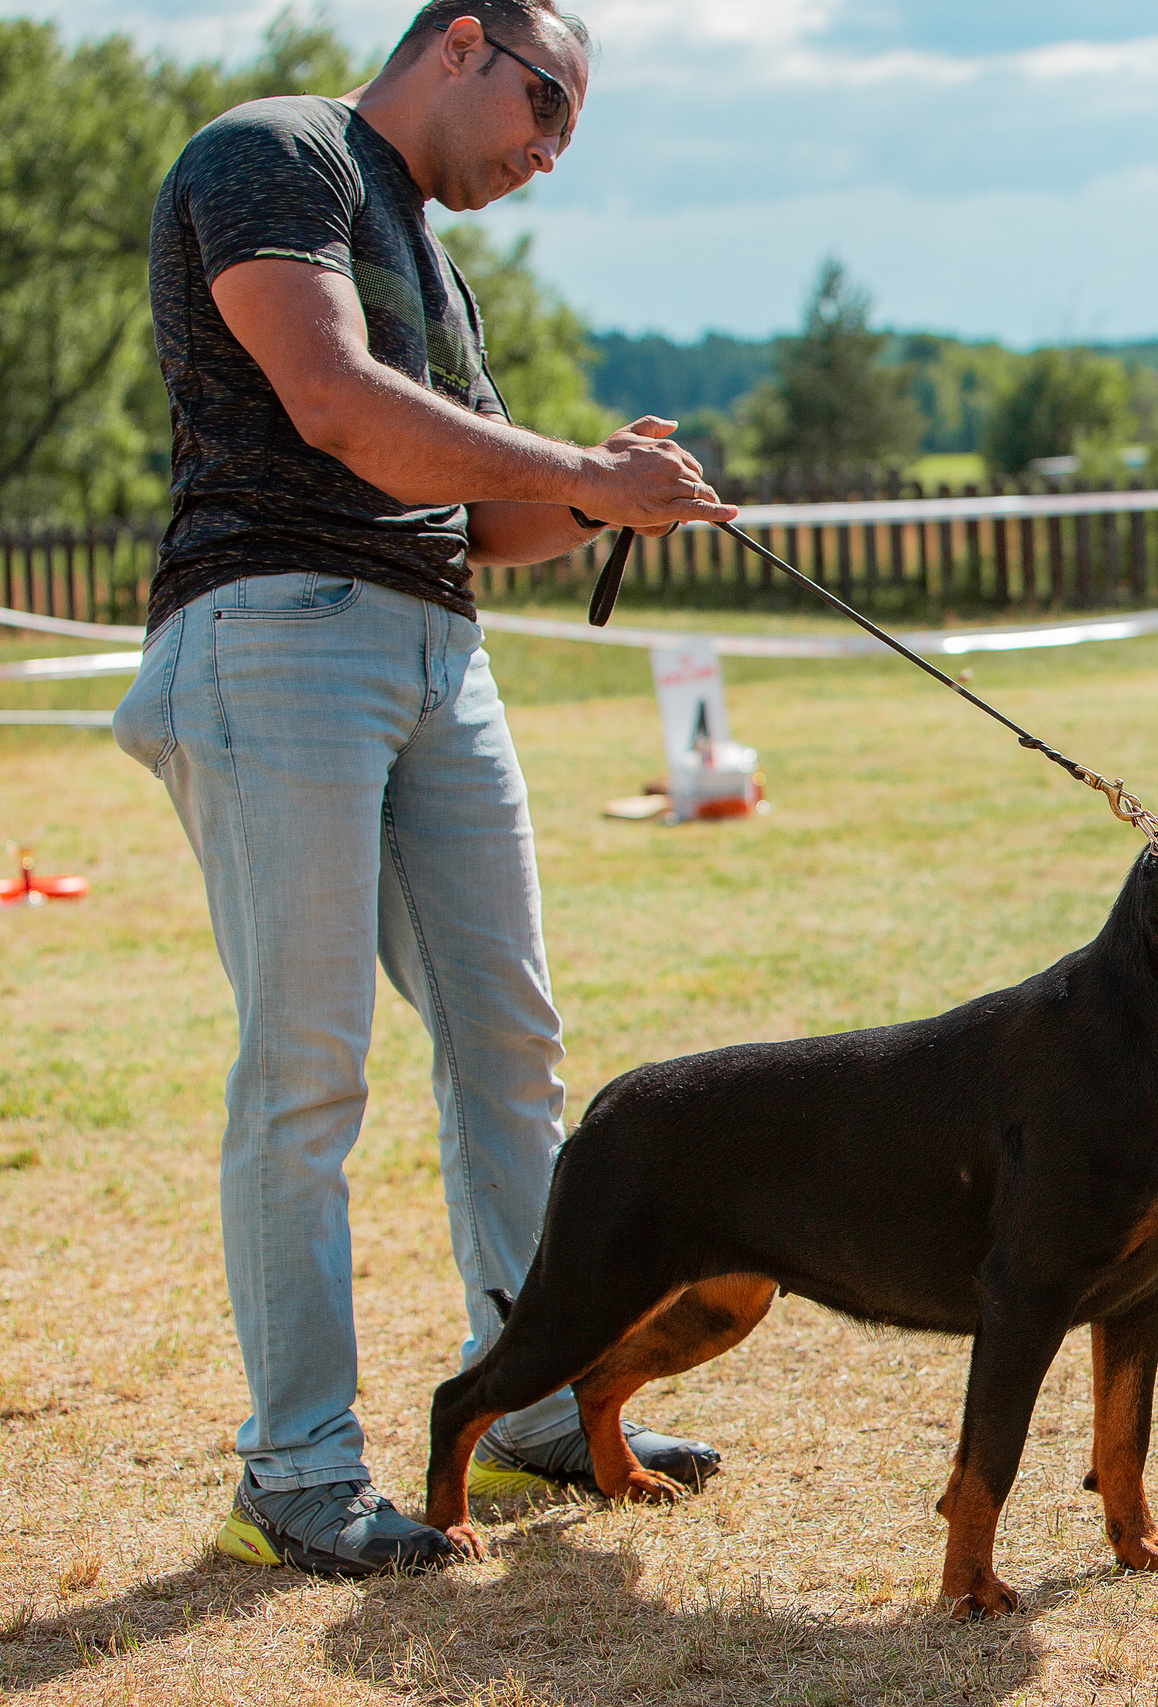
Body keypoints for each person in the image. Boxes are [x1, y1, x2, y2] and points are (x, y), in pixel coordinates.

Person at [111, 0, 740, 1576]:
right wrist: (574, 472)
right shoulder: (277, 153)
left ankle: (530, 1407)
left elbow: (479, 512)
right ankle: (300, 1472)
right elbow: (332, 405)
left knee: (510, 1041)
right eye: (547, 107)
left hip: (437, 649)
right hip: (274, 632)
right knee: (309, 1071)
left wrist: (598, 499)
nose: (547, 152)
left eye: (568, 136)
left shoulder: (440, 264)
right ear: (462, 42)